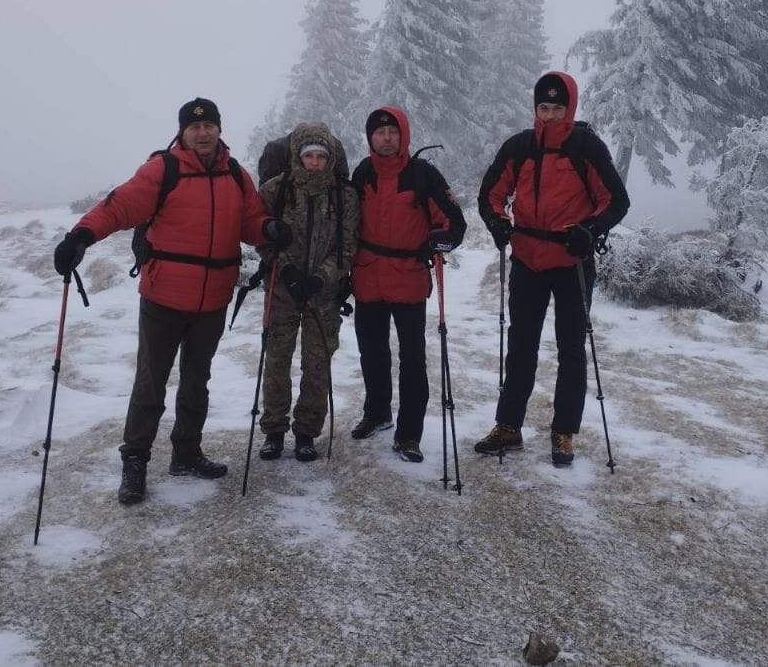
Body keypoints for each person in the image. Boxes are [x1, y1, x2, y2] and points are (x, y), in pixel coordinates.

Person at [53, 98, 292, 505]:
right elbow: (121, 205)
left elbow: (248, 221)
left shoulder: (236, 174)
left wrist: (267, 228)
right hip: (163, 297)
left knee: (197, 383)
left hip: (213, 298)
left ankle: (186, 452)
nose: (203, 133)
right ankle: (135, 460)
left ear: (219, 129)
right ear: (183, 132)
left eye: (210, 126)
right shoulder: (163, 169)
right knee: (151, 383)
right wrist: (81, 236)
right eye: (194, 127)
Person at [473, 72, 630, 466]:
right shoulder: (520, 147)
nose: (549, 116)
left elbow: (615, 200)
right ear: (535, 108)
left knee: (571, 349)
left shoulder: (586, 147)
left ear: (570, 108)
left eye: (558, 108)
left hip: (571, 262)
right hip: (527, 260)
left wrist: (590, 229)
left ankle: (564, 432)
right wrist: (497, 223)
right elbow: (490, 194)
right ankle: (508, 427)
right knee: (521, 346)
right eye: (543, 108)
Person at [348, 107, 466, 463]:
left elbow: (454, 222)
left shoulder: (423, 175)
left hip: (409, 278)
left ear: (404, 135)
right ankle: (377, 412)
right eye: (379, 132)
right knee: (372, 352)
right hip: (368, 276)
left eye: (392, 132)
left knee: (412, 359)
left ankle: (409, 433)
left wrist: (443, 239)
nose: (386, 138)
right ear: (370, 138)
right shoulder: (363, 173)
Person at [256, 122, 359, 463]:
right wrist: (285, 268)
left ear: (331, 159)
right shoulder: (275, 190)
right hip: (281, 290)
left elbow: (347, 247)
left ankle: (306, 433)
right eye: (308, 155)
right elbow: (261, 236)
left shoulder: (344, 196)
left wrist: (320, 278)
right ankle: (273, 430)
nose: (314, 162)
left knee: (317, 365)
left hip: (324, 294)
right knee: (277, 362)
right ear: (296, 156)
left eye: (321, 156)